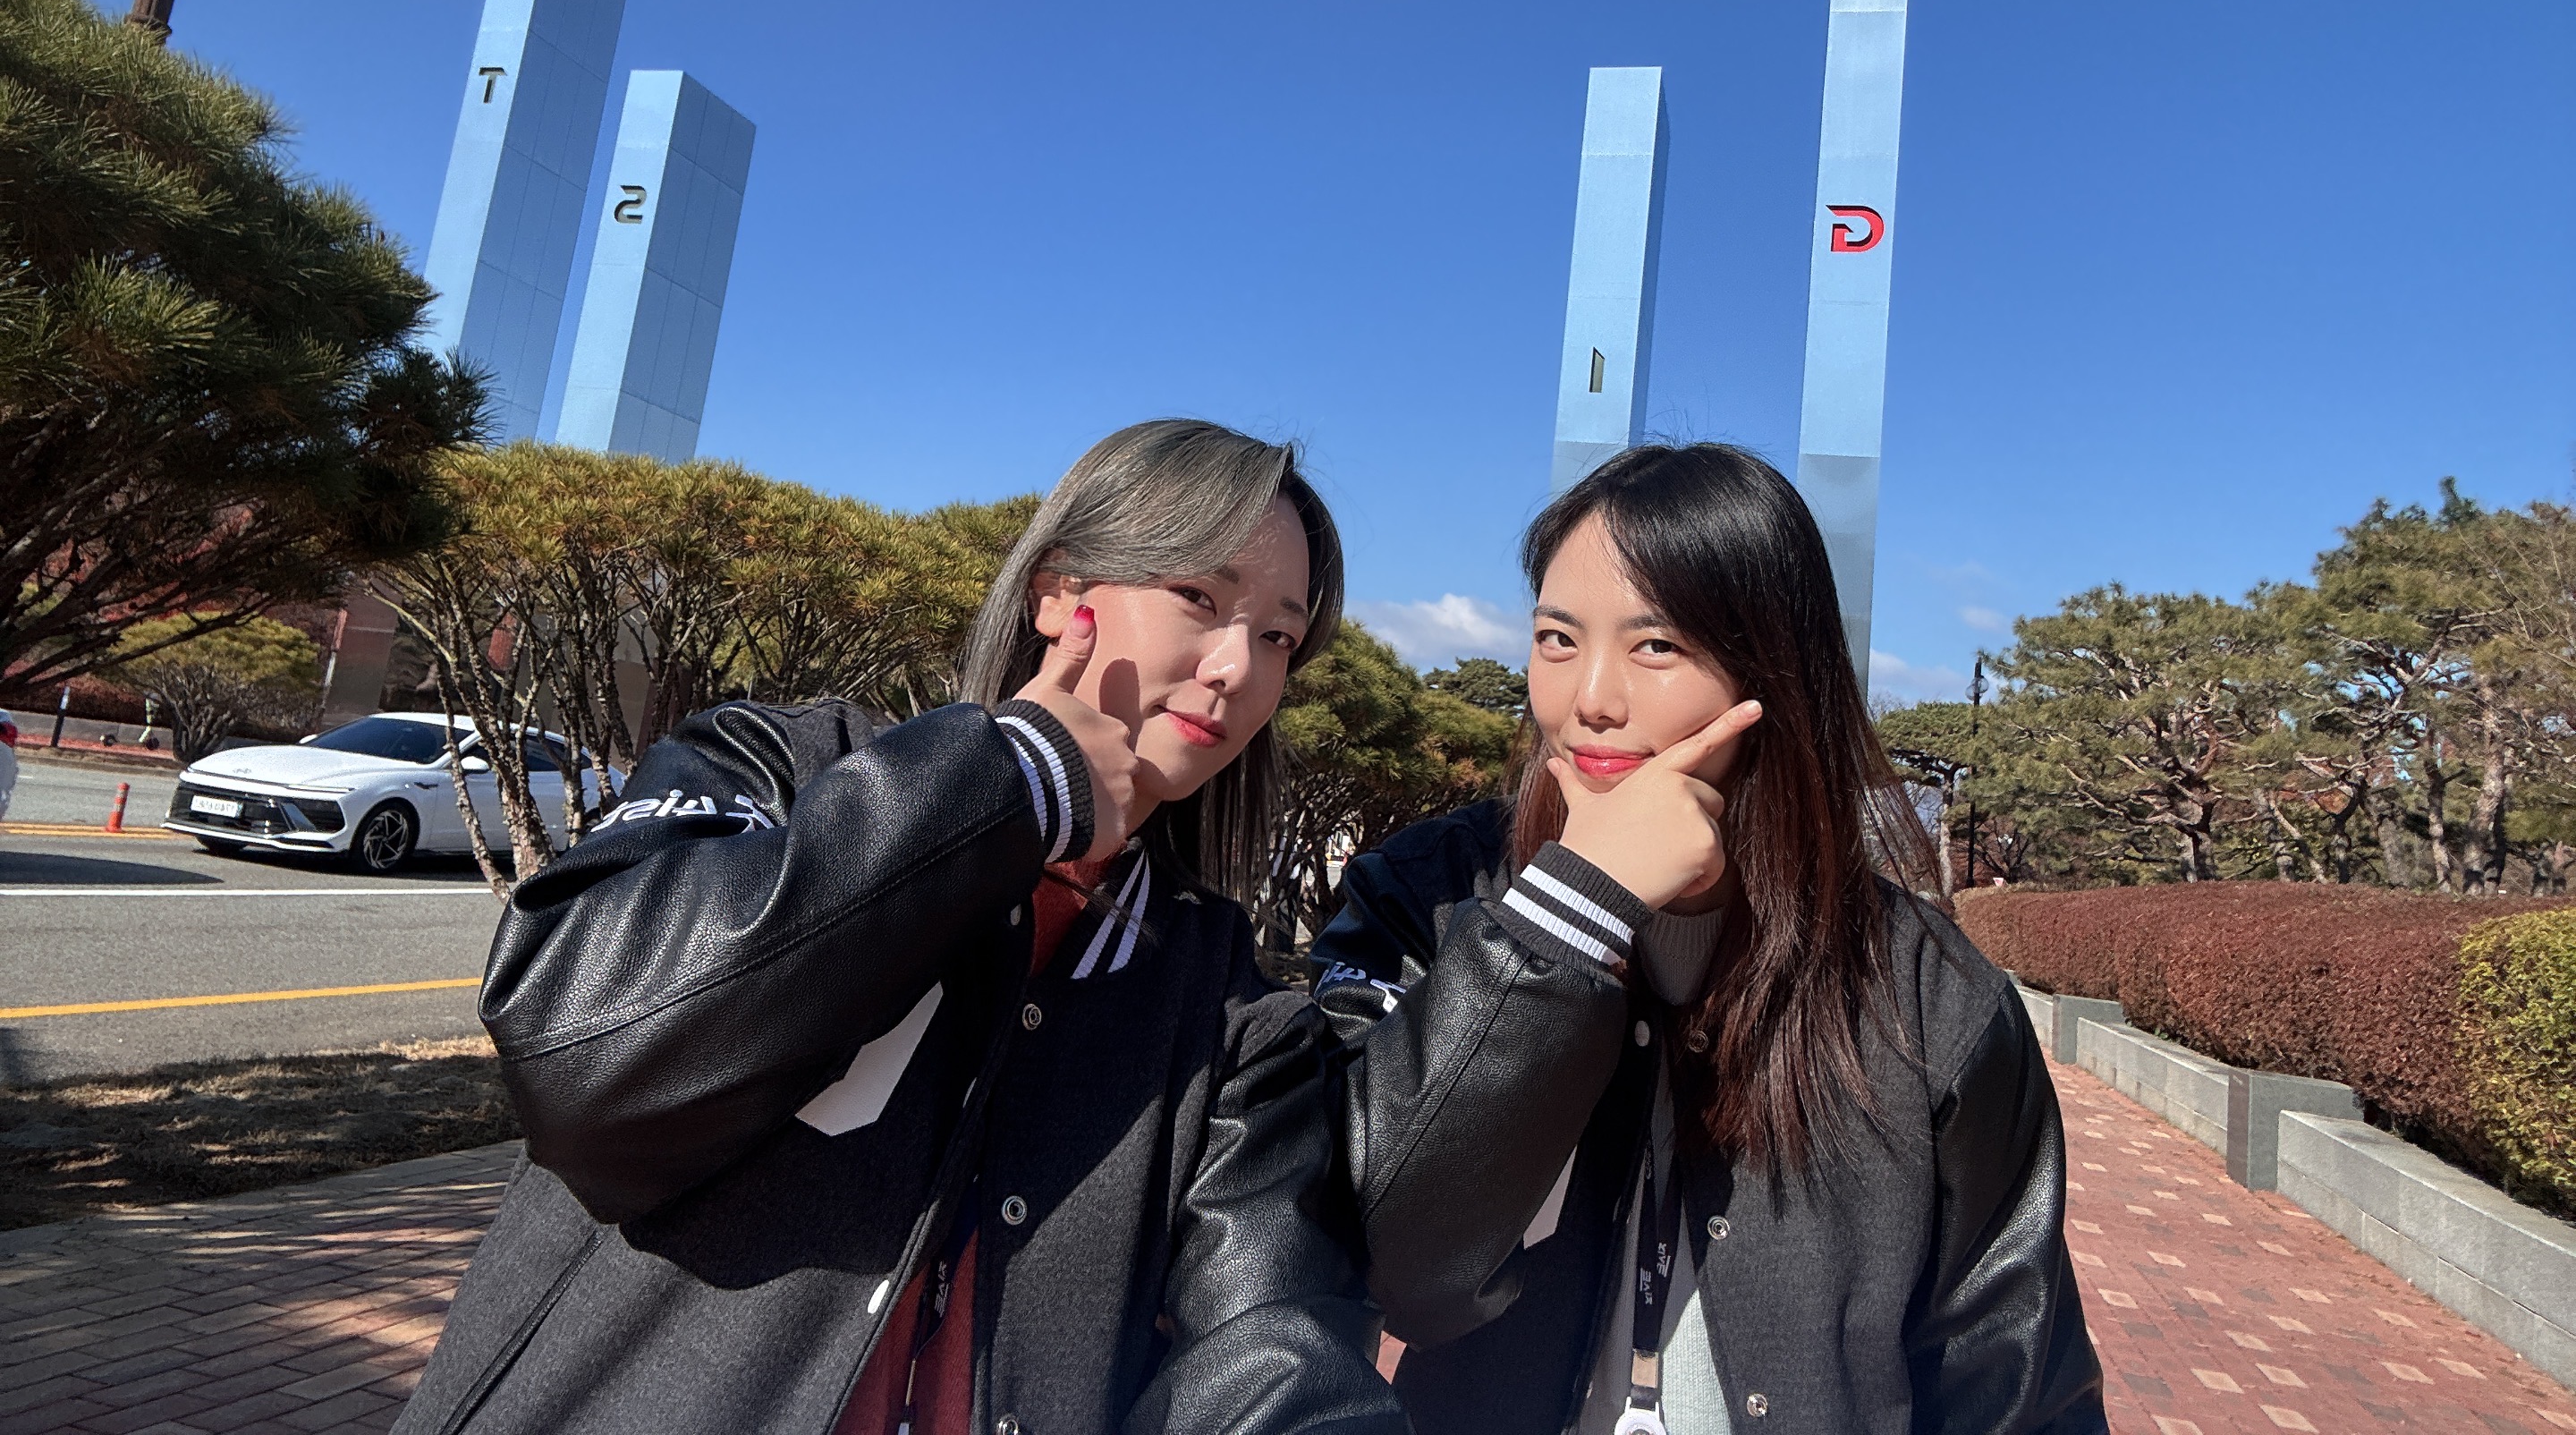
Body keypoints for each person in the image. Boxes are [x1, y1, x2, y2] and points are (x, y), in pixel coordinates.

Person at [400, 420, 1404, 1435]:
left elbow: (1270, 1339)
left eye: (1278, 638)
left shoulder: (1227, 1005)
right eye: (1200, 597)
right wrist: (1008, 781)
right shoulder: (781, 766)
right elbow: (579, 1059)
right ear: (1060, 591)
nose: (1236, 667)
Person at [1309, 444, 2106, 1435]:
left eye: (1656, 646)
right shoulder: (1429, 896)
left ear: (1771, 669)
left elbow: (2015, 1386)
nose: (1590, 697)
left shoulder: (1925, 994)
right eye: (1556, 638)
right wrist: (1565, 917)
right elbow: (1391, 1266)